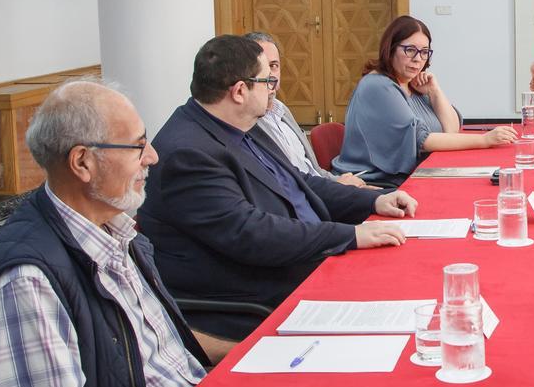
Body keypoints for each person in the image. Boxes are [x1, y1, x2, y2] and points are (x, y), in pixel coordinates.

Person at [0, 81, 229, 387]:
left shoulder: (110, 228)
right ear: (83, 162)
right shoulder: (27, 278)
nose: (152, 157)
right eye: (138, 145)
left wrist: (250, 354)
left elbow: (161, 343)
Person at [138, 35, 417, 340]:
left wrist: (373, 202)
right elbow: (252, 233)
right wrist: (349, 235)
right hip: (261, 296)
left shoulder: (243, 126)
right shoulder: (188, 155)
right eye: (266, 81)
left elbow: (300, 183)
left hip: (308, 258)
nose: (274, 87)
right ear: (240, 91)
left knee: (411, 276)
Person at [333, 15, 518, 188]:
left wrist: (434, 91)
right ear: (390, 48)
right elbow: (423, 141)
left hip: (418, 175)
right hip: (378, 184)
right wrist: (485, 140)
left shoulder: (412, 85)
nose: (418, 59)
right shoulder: (379, 86)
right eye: (410, 50)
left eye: (424, 52)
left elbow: (451, 130)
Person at [246, 31, 372, 188]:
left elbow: (314, 170)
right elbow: (286, 184)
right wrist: (337, 186)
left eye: (274, 66)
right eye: (262, 67)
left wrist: (340, 182)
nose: (270, 75)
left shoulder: (282, 110)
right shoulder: (248, 123)